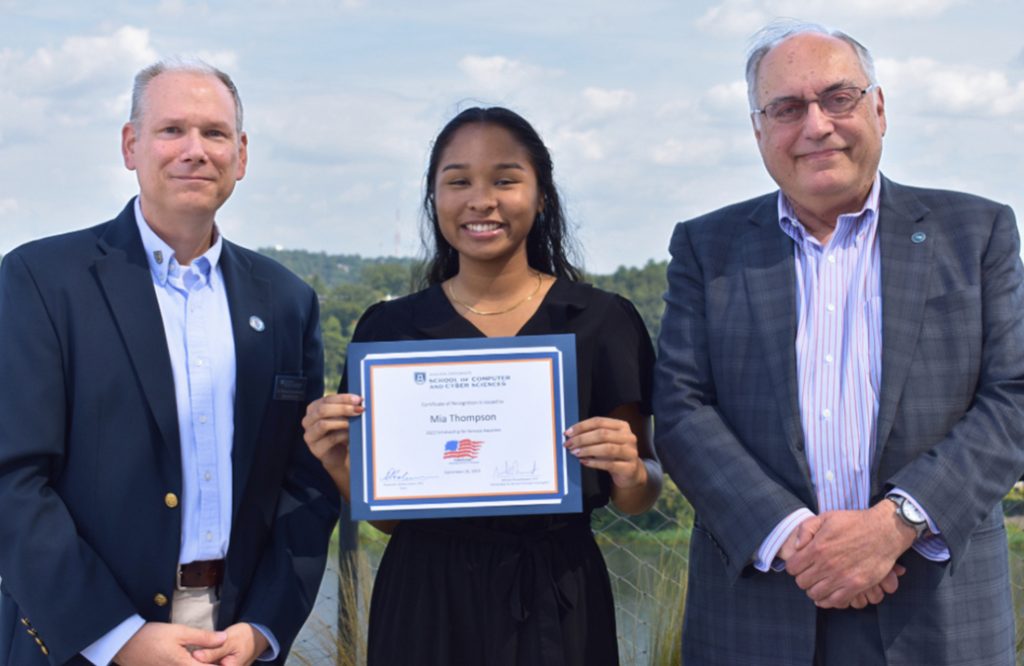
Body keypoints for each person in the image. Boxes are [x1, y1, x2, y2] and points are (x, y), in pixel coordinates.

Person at [653, 19, 1024, 666]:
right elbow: (682, 410)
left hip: (937, 613)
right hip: (758, 615)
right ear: (759, 130)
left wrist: (894, 526)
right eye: (787, 108)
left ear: (878, 108)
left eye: (838, 98)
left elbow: (1013, 396)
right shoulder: (705, 248)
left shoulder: (977, 234)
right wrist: (802, 543)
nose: (816, 125)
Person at [0, 58, 338, 666]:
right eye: (171, 130)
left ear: (241, 155)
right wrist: (118, 636)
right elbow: (12, 480)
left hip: (231, 642)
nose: (195, 150)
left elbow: (304, 484)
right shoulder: (42, 281)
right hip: (84, 645)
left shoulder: (287, 301)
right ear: (131, 146)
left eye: (214, 134)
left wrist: (264, 625)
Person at [302, 106, 663, 665]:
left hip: (558, 593)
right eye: (459, 181)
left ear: (541, 195)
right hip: (423, 602)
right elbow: (389, 517)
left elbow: (638, 497)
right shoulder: (389, 329)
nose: (481, 200)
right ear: (434, 199)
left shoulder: (600, 321)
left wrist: (633, 471)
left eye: (505, 179)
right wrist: (339, 465)